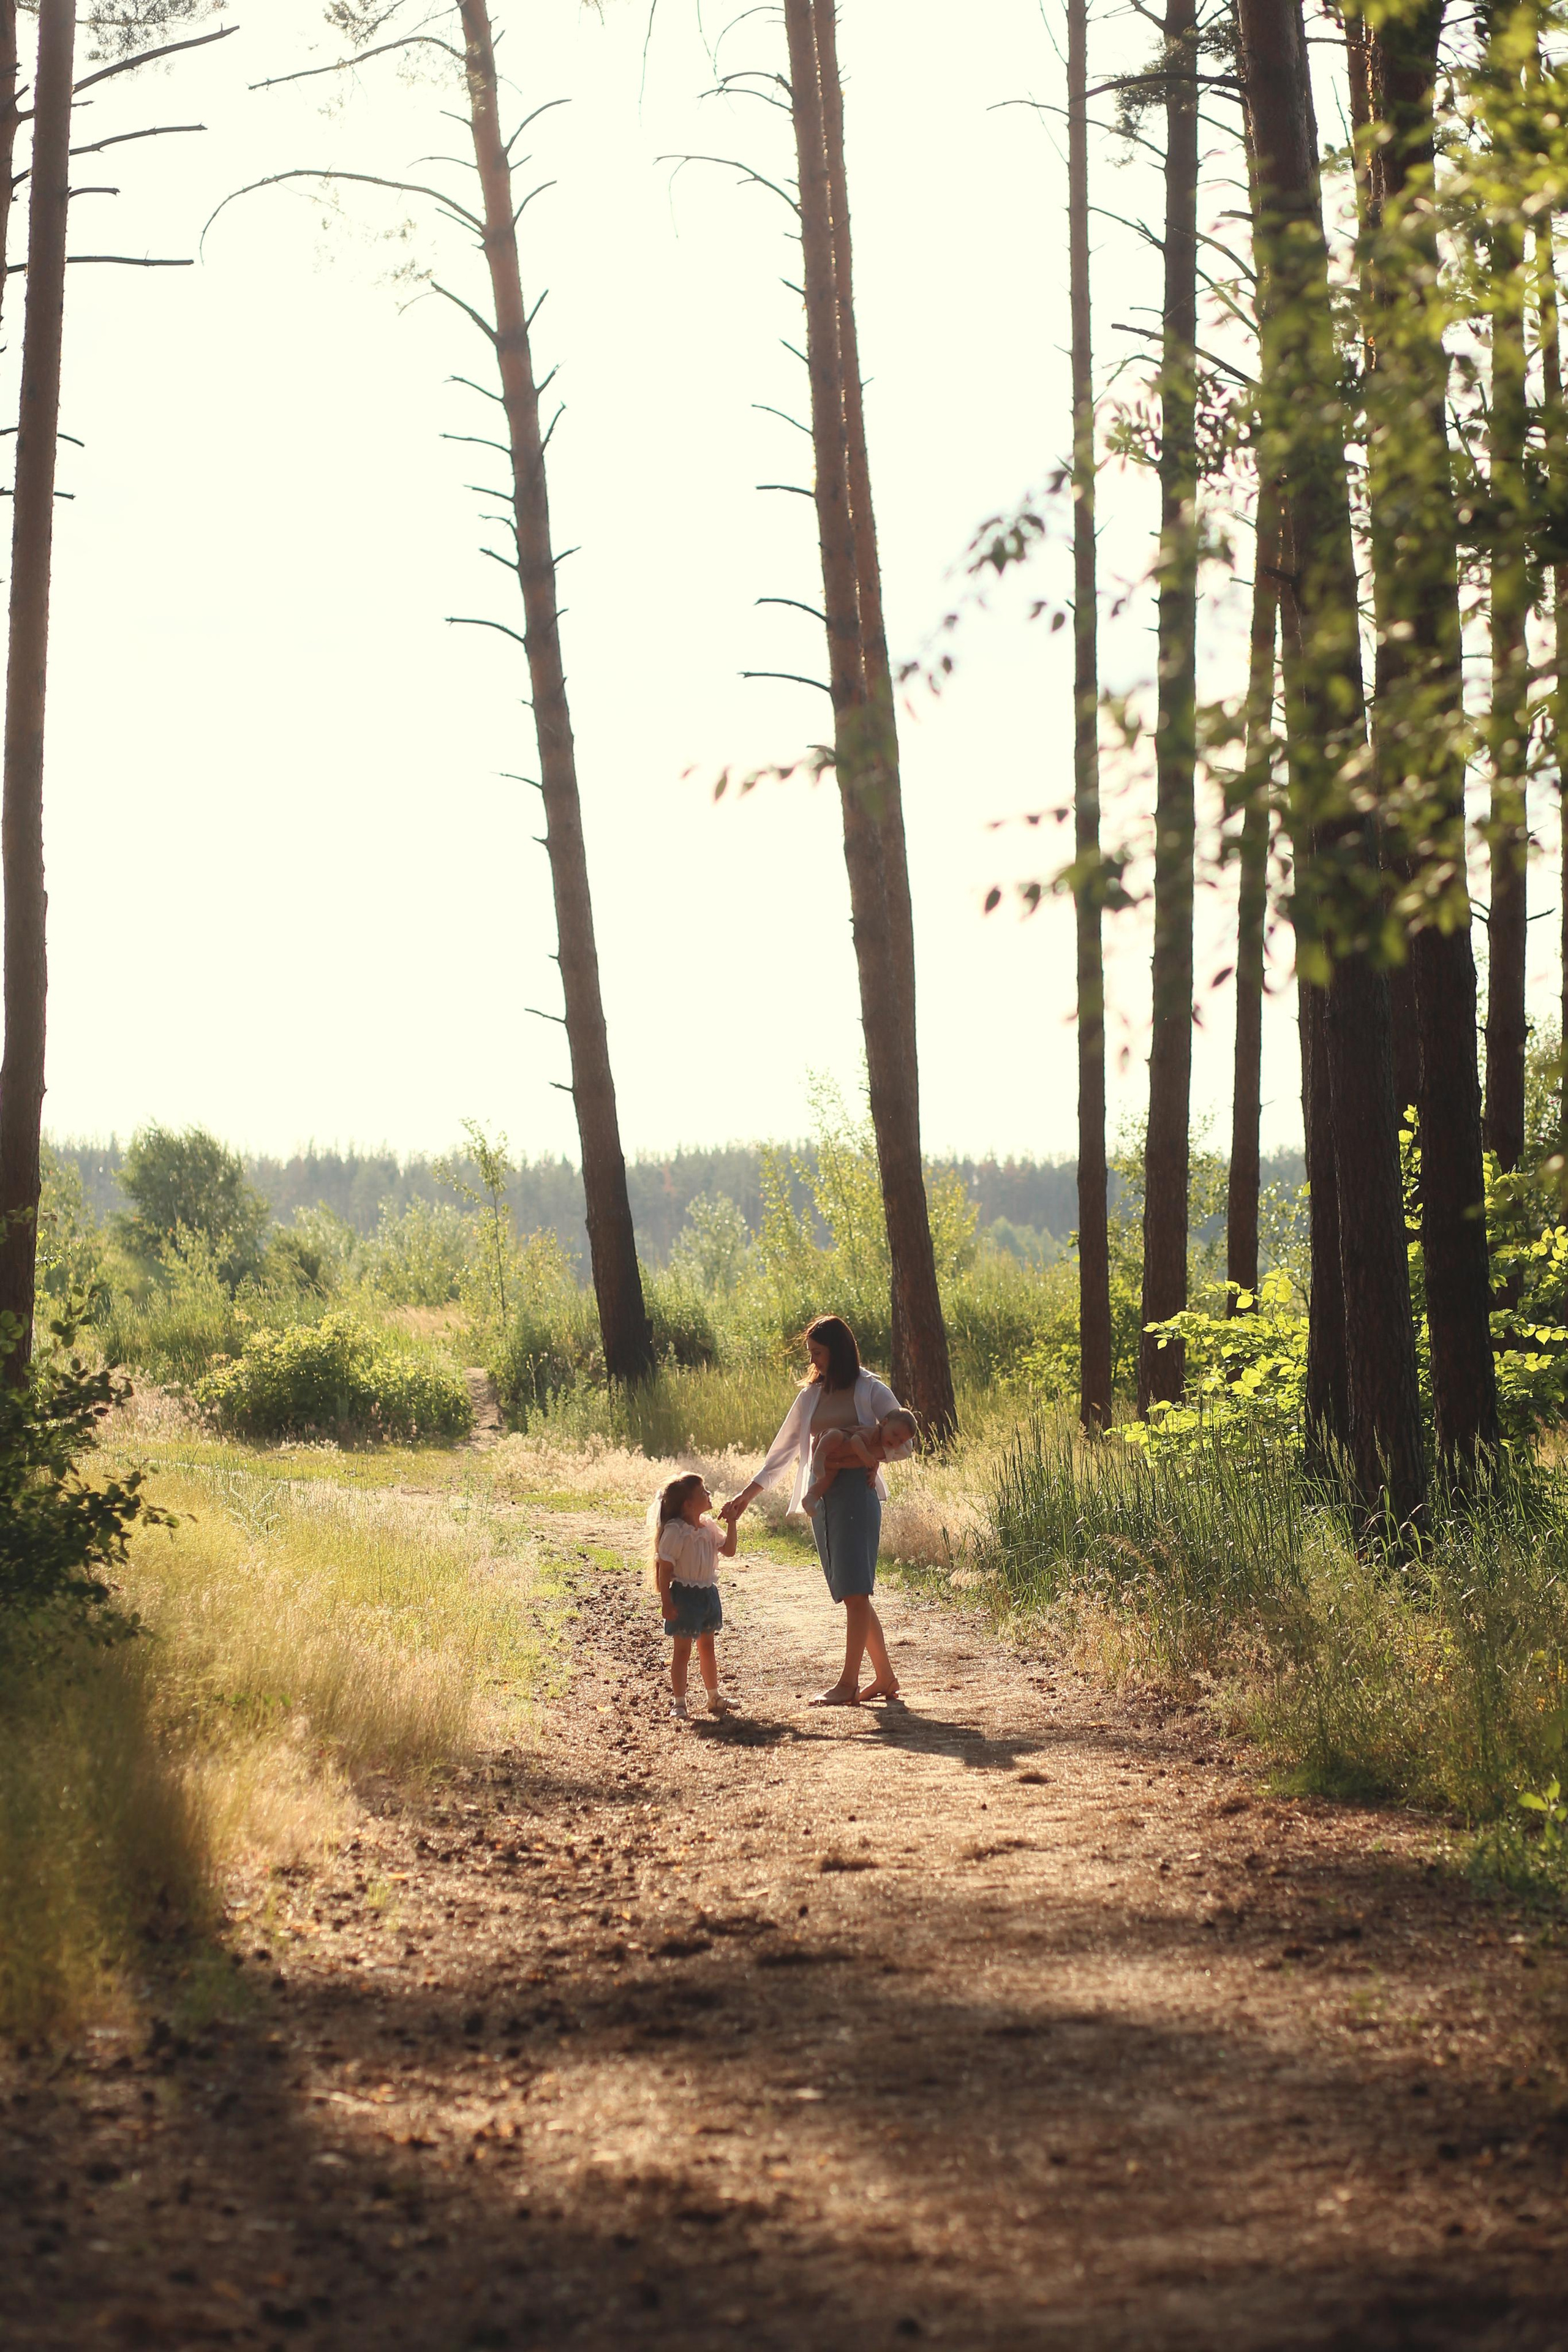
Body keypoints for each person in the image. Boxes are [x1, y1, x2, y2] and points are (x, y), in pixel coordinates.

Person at [721, 1314, 913, 1707]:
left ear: (838, 1351)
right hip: (823, 1499)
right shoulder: (812, 1397)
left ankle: (848, 1684)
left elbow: (904, 1443)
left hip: (858, 1497)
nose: (815, 1361)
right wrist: (746, 1496)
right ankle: (885, 1678)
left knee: (856, 1591)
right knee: (852, 1592)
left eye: (820, 1353)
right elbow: (783, 1452)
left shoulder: (870, 1388)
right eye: (812, 1354)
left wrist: (860, 1459)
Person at [651, 1471, 738, 1722]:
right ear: (688, 1505)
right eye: (703, 1492)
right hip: (684, 1597)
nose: (709, 1495)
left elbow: (729, 1550)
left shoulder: (709, 1528)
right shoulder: (676, 1532)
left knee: (707, 1647)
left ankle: (714, 1696)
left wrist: (732, 1522)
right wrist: (666, 1602)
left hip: (707, 1594)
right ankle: (680, 1702)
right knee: (682, 1652)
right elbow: (665, 1570)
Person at [802, 1407, 919, 1513]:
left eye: (901, 1442)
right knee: (835, 1435)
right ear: (884, 1423)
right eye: (895, 1434)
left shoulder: (883, 1448)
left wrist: (873, 1473)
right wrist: (865, 1456)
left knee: (824, 1482)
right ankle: (819, 1458)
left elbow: (875, 1461)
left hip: (834, 1464)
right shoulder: (874, 1432)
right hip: (827, 1444)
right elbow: (856, 1440)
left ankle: (811, 1498)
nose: (895, 1442)